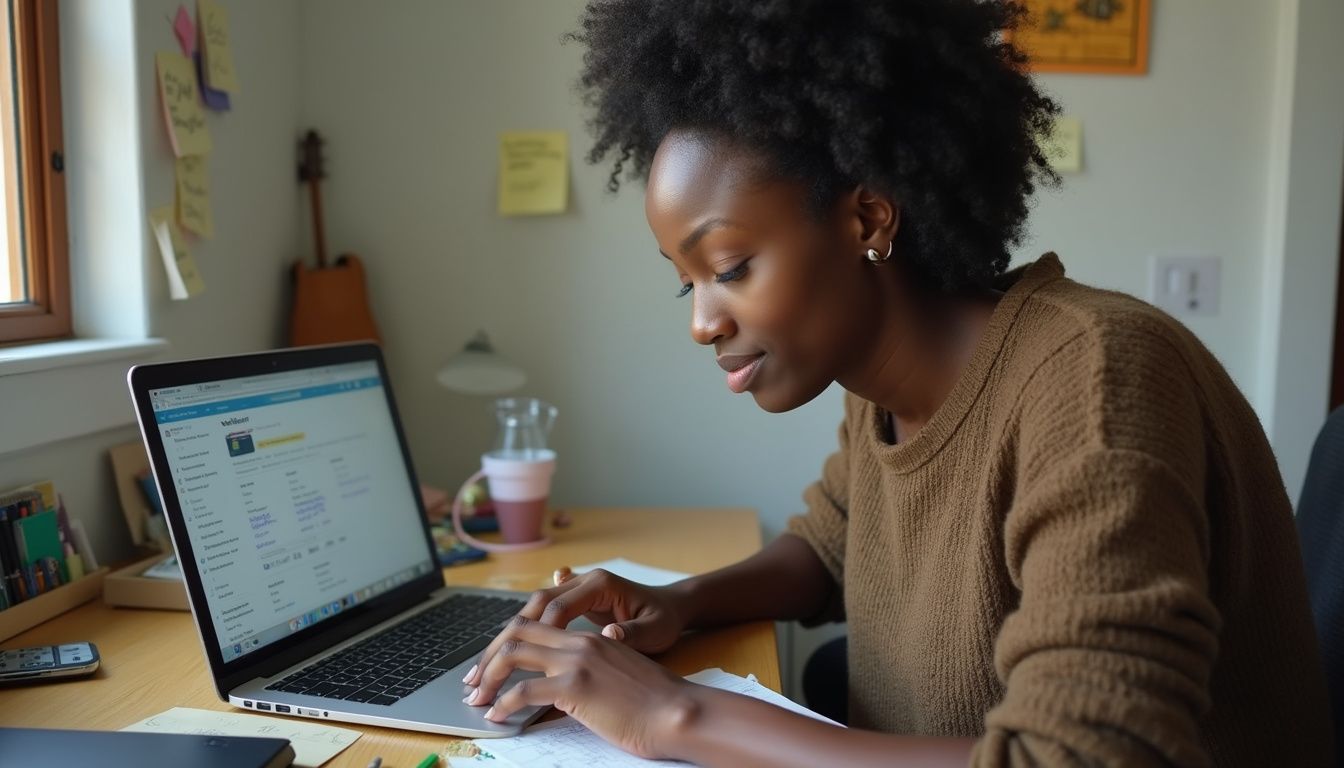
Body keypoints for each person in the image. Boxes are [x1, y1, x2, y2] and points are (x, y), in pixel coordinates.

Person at [460, 1, 1335, 764]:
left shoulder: (1097, 382)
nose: (703, 321)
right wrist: (678, 602)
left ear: (868, 218)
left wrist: (671, 713)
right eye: (688, 281)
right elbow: (830, 551)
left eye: (730, 265)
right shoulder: (880, 388)